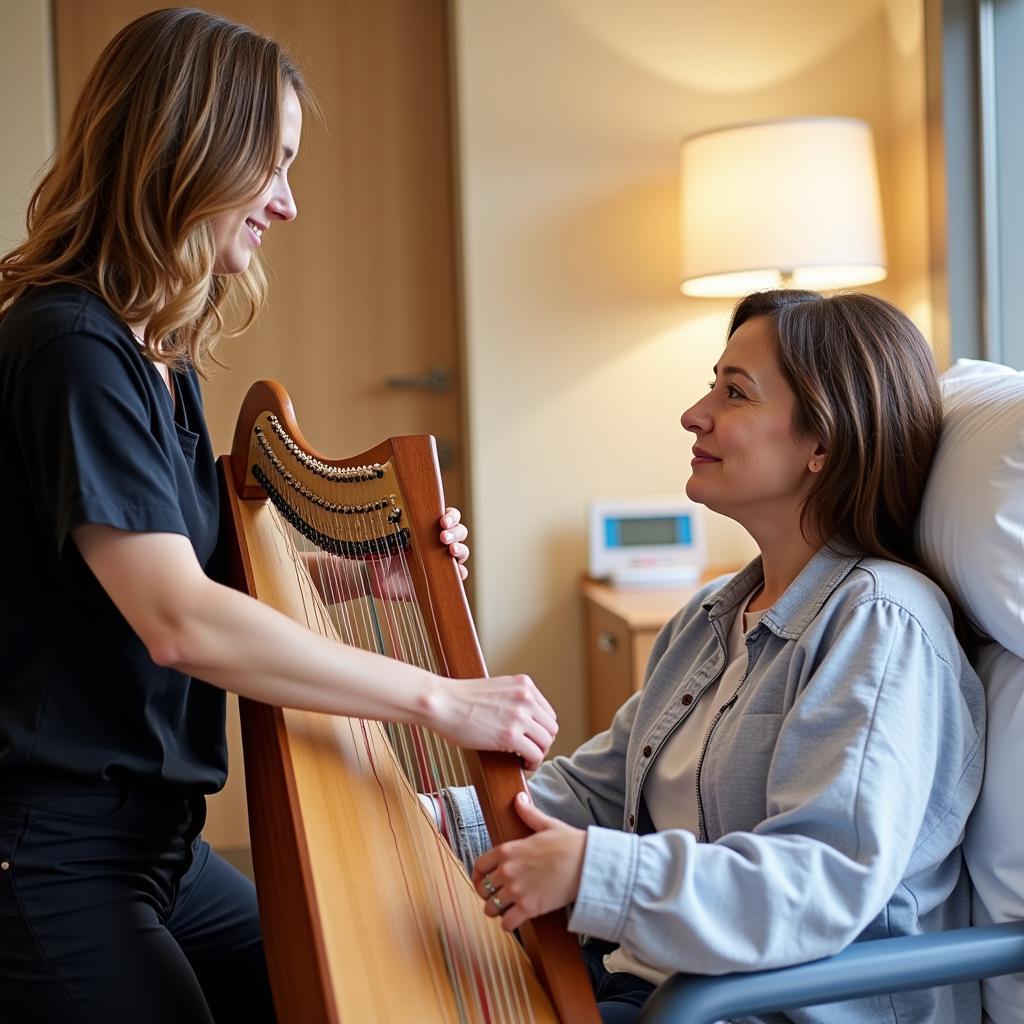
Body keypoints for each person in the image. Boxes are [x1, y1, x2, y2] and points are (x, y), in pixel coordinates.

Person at [0, 9, 556, 1024]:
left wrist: (358, 577)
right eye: (274, 164)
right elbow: (179, 621)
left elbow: (179, 574)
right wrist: (441, 699)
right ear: (189, 145)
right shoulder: (69, 348)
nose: (289, 206)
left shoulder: (153, 359)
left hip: (157, 846)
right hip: (52, 850)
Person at [442, 289, 985, 1023]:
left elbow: (819, 881)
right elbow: (603, 791)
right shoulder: (711, 614)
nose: (695, 414)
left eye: (734, 393)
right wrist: (436, 822)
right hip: (647, 986)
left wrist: (592, 870)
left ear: (823, 443)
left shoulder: (880, 626)